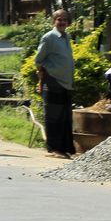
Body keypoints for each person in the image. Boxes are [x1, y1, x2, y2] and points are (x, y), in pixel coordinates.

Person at [34, 9, 76, 159]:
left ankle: (64, 149)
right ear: (54, 21)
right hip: (53, 82)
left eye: (65, 19)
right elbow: (39, 60)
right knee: (54, 116)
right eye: (59, 19)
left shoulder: (65, 37)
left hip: (66, 83)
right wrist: (43, 77)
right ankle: (54, 149)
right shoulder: (49, 37)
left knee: (65, 117)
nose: (62, 22)